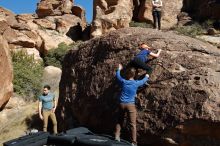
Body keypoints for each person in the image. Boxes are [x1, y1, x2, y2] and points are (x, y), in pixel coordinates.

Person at [115, 64, 149, 146]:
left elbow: (117, 76)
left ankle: (117, 136)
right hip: (130, 105)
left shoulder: (123, 82)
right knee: (132, 124)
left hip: (121, 103)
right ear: (134, 75)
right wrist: (147, 76)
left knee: (120, 120)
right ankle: (134, 142)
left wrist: (119, 69)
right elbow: (144, 81)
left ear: (127, 75)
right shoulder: (136, 83)